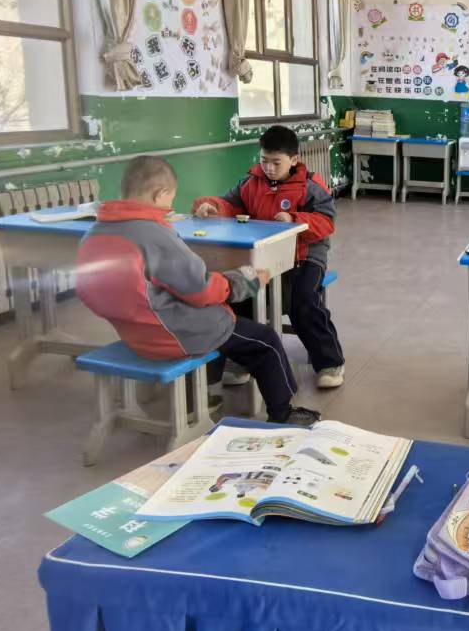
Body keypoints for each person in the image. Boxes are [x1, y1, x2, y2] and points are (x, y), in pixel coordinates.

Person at [76, 155, 318, 427]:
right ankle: (282, 413)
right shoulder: (154, 234)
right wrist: (247, 279)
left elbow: (87, 290)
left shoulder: (95, 233)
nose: (170, 207)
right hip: (174, 334)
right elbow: (201, 289)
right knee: (264, 340)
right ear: (160, 194)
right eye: (171, 198)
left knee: (223, 320)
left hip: (134, 334)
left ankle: (207, 393)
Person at [193, 125, 345, 390]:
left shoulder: (310, 186)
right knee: (240, 296)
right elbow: (230, 204)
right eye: (264, 160)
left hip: (304, 255)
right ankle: (242, 360)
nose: (269, 168)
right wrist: (213, 207)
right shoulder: (250, 183)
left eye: (276, 162)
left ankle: (330, 362)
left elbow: (326, 221)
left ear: (294, 159)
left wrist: (294, 219)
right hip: (262, 254)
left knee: (302, 301)